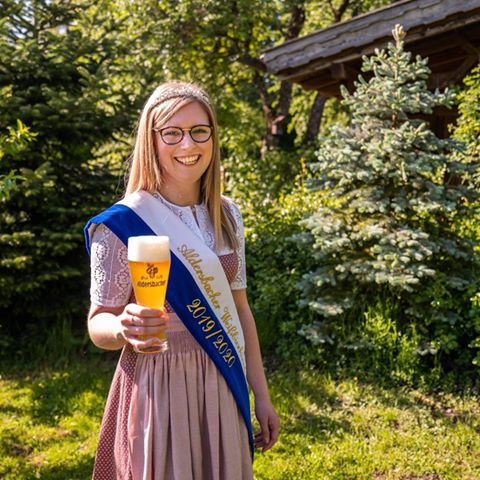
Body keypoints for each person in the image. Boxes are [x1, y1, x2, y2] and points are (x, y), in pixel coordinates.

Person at [84, 81, 280, 480]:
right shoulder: (122, 222)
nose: (187, 144)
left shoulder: (227, 215)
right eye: (171, 132)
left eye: (199, 131)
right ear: (151, 140)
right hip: (158, 384)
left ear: (213, 137)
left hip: (221, 378)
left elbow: (239, 309)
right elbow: (97, 321)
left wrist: (262, 395)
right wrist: (123, 325)